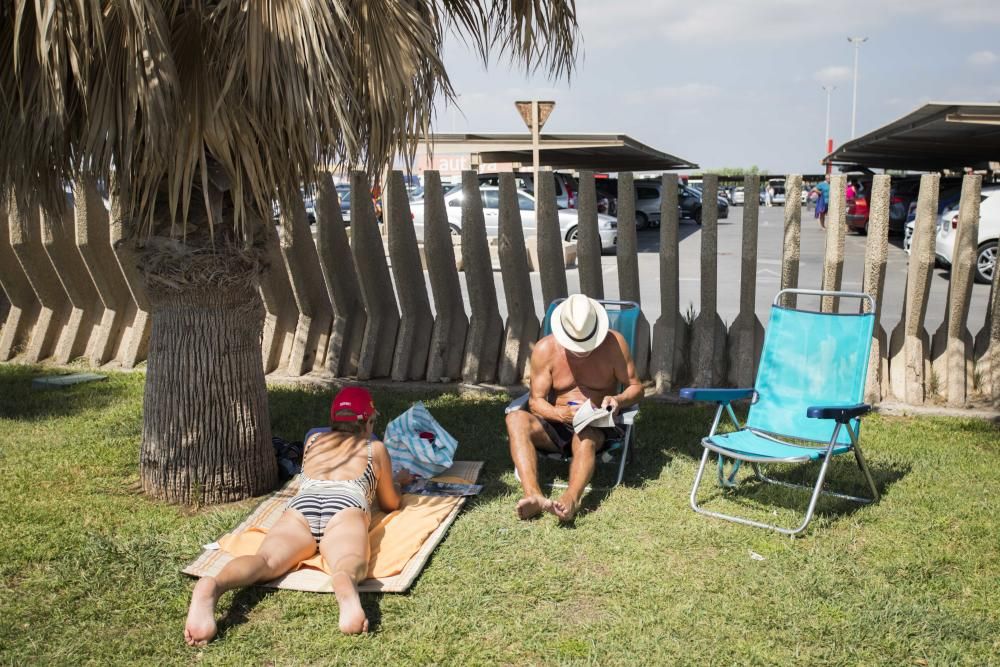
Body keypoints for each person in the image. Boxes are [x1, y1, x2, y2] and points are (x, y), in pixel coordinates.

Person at [184, 387, 407, 644]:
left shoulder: (313, 440)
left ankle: (215, 585)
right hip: (345, 506)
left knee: (265, 560)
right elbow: (390, 503)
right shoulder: (374, 447)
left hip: (303, 505)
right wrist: (398, 483)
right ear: (368, 422)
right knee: (348, 560)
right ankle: (344, 581)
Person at [505, 294, 643, 523]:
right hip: (556, 424)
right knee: (515, 419)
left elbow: (636, 388)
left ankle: (571, 498)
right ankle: (533, 496)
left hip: (594, 425)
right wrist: (559, 414)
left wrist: (618, 399)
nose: (582, 349)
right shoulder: (545, 349)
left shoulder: (614, 344)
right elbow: (536, 401)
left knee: (585, 435)